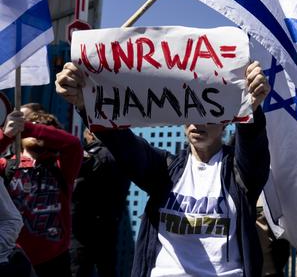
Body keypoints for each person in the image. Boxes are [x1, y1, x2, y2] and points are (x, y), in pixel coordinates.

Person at [55, 60, 271, 277]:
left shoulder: (239, 173)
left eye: (209, 113)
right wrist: (85, 103)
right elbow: (121, 142)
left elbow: (253, 145)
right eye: (191, 112)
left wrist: (251, 108)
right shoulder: (163, 170)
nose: (198, 122)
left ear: (225, 121)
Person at [0, 109, 83, 277]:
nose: (39, 132)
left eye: (46, 130)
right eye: (32, 126)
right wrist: (7, 134)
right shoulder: (6, 166)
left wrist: (29, 127)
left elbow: (73, 144)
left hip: (55, 260)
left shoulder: (61, 169)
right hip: (13, 259)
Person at [70, 128, 131, 277]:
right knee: (107, 267)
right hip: (110, 220)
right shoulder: (122, 155)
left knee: (79, 268)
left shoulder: (94, 155)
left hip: (84, 222)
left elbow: (78, 184)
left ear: (91, 135)